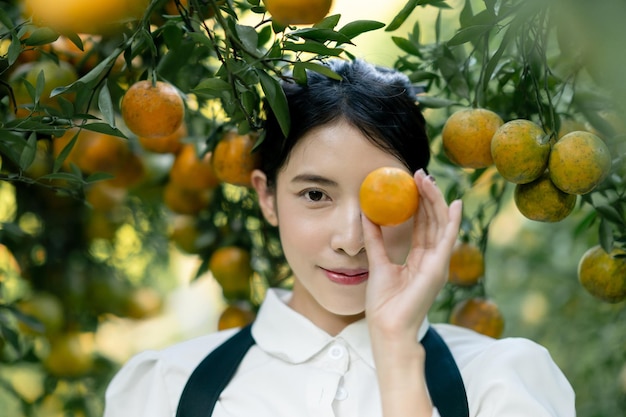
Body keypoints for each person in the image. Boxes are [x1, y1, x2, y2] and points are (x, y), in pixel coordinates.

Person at [103, 59, 575, 417]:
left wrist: (397, 352)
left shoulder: (499, 382)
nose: (351, 240)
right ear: (266, 197)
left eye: (382, 197)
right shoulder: (167, 388)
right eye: (315, 194)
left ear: (422, 199)